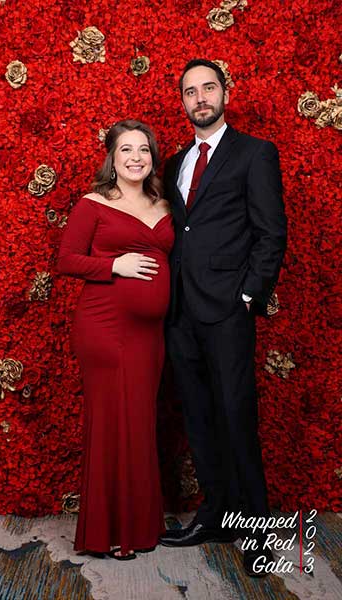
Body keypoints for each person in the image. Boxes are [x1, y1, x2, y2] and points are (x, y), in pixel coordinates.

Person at [159, 59, 287, 577]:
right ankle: (214, 514)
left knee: (237, 419)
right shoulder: (173, 164)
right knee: (198, 418)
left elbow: (271, 231)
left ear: (225, 93)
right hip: (179, 313)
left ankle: (260, 536)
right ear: (184, 102)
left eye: (208, 87)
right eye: (191, 92)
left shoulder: (255, 153)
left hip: (228, 311)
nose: (200, 98)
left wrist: (249, 298)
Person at [57, 120, 173, 560]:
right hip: (104, 325)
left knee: (140, 423)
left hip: (151, 334)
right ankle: (107, 533)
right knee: (110, 424)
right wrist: (113, 267)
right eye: (126, 150)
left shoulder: (164, 204)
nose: (135, 157)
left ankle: (139, 528)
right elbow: (66, 259)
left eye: (143, 149)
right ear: (112, 157)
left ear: (153, 157)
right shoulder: (93, 203)